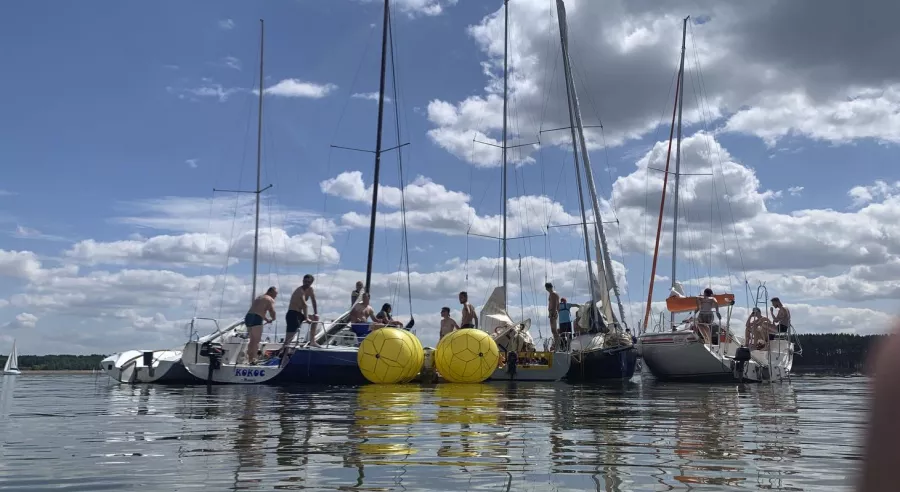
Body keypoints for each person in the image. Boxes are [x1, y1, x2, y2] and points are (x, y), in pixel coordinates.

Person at [284, 275, 319, 355]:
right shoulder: (300, 291)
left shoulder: (310, 290)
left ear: (311, 283)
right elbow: (304, 305)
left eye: (308, 282)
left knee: (315, 318)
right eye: (305, 281)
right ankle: (284, 358)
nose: (306, 283)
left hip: (300, 314)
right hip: (293, 314)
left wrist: (316, 313)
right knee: (289, 339)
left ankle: (312, 341)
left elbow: (314, 301)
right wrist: (306, 318)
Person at [245, 286, 277, 365]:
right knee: (256, 340)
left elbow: (259, 311)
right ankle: (254, 359)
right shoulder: (270, 299)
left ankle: (249, 359)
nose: (275, 296)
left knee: (252, 340)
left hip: (248, 317)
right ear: (270, 292)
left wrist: (266, 320)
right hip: (256, 318)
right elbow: (272, 311)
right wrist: (273, 318)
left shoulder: (259, 297)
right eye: (275, 294)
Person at [545, 282, 560, 349]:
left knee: (554, 330)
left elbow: (554, 304)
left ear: (547, 288)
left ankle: (557, 345)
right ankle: (557, 344)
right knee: (554, 330)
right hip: (553, 312)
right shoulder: (553, 294)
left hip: (553, 313)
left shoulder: (553, 294)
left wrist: (552, 313)